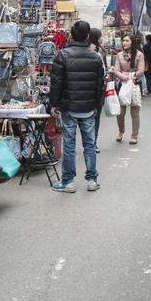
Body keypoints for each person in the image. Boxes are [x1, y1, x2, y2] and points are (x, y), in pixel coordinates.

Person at [49, 20, 105, 193]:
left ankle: (68, 182)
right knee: (89, 144)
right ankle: (92, 180)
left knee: (69, 145)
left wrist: (54, 104)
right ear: (88, 36)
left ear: (71, 35)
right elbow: (100, 85)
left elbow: (56, 83)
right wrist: (97, 105)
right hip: (88, 108)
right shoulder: (96, 57)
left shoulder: (63, 55)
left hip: (69, 107)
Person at [111, 33, 145, 144]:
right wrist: (125, 77)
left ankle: (134, 135)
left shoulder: (139, 55)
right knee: (120, 112)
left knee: (135, 112)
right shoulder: (119, 55)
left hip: (135, 83)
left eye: (127, 40)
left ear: (132, 42)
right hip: (123, 83)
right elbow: (116, 70)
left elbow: (141, 70)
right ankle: (121, 130)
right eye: (123, 40)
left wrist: (133, 77)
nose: (124, 42)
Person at [88, 27, 105, 147]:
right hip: (93, 88)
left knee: (96, 116)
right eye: (100, 36)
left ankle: (93, 142)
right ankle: (91, 143)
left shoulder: (100, 50)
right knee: (92, 117)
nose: (101, 38)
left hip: (99, 87)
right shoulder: (91, 52)